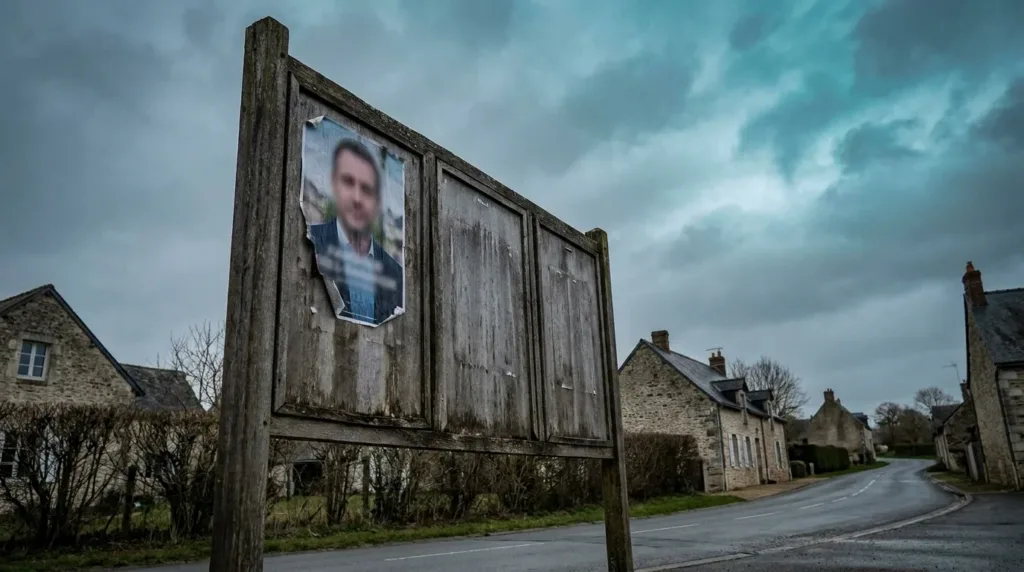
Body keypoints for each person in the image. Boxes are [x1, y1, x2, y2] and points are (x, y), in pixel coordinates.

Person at [308, 138, 403, 325]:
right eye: (348, 182)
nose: (357, 198)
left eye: (367, 189)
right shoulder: (311, 242)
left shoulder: (396, 274)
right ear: (334, 184)